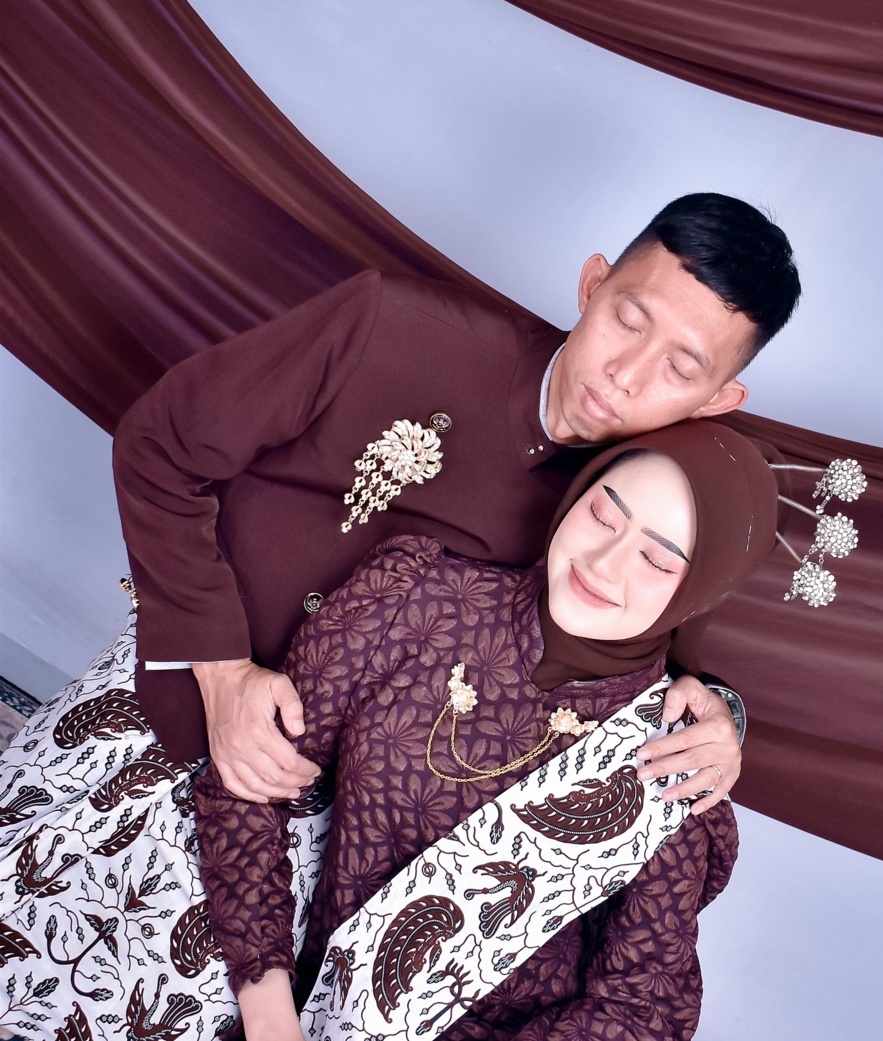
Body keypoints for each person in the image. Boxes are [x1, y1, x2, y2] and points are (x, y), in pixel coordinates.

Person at [143, 420, 781, 1041]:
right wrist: (274, 1038)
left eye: (658, 560)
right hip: (316, 993)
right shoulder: (419, 596)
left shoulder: (671, 760)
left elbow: (644, 1013)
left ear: (696, 592)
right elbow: (252, 779)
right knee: (152, 1038)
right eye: (605, 514)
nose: (605, 564)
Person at [113, 192, 801, 822]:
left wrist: (722, 718)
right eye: (628, 321)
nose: (627, 375)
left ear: (718, 400)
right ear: (593, 285)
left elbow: (656, 660)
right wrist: (223, 670)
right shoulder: (391, 323)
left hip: (345, 814)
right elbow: (160, 445)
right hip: (179, 686)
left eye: (680, 369)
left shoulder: (661, 494)